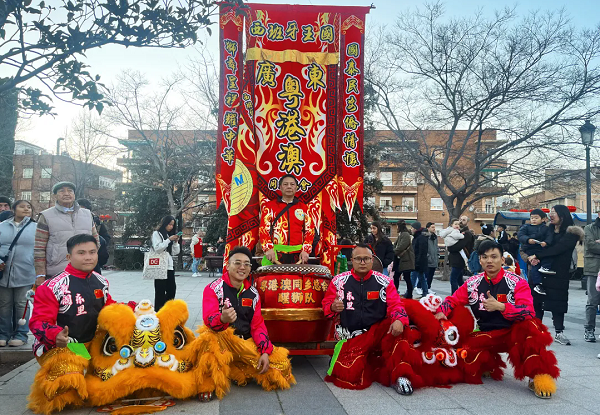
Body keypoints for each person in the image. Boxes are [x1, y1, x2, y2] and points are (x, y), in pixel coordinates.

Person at [435, 240, 560, 399]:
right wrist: (441, 311)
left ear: (502, 259)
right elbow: (452, 300)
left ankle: (537, 375)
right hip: (485, 334)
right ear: (480, 260)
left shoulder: (517, 282)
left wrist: (502, 307)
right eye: (485, 257)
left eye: (494, 256)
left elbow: (528, 311)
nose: (489, 261)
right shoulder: (472, 283)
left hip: (513, 334)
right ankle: (489, 364)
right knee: (461, 358)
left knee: (531, 328)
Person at [27, 234, 134, 415]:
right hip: (67, 346)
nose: (88, 257)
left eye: (92, 252)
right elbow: (38, 322)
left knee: (123, 366)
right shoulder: (52, 286)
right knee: (67, 381)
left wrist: (133, 308)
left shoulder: (101, 281)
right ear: (69, 257)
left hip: (93, 344)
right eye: (81, 253)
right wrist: (56, 335)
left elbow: (109, 306)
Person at [200, 246, 295, 400]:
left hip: (244, 343)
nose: (242, 267)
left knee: (281, 367)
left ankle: (235, 368)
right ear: (228, 265)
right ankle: (207, 382)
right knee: (207, 340)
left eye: (247, 264)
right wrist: (222, 319)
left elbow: (257, 325)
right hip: (221, 341)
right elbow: (209, 319)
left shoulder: (253, 294)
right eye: (237, 263)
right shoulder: (213, 289)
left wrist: (264, 350)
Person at [322, 243, 413, 394]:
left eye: (366, 259)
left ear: (372, 260)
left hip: (377, 332)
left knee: (400, 329)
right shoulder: (339, 281)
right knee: (348, 375)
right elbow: (325, 306)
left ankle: (400, 374)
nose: (362, 262)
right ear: (352, 260)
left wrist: (399, 320)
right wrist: (332, 307)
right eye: (358, 259)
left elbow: (396, 305)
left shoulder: (385, 282)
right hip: (350, 335)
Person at [527, 205, 583, 345]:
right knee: (537, 302)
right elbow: (530, 245)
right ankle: (536, 331)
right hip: (540, 271)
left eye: (554, 212)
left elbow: (559, 249)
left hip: (558, 273)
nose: (551, 215)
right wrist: (530, 256)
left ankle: (559, 332)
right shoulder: (546, 230)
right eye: (550, 212)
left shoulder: (571, 233)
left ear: (562, 215)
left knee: (558, 303)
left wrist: (538, 255)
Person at [34, 182, 98, 286]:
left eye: (70, 191)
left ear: (74, 195)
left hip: (84, 271)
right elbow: (39, 248)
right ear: (55, 195)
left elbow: (96, 242)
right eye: (62, 191)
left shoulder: (87, 214)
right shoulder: (46, 216)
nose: (66, 193)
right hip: (57, 272)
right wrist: (40, 274)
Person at [0, 200, 37, 347]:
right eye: (22, 206)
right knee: (4, 305)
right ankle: (3, 334)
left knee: (23, 305)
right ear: (14, 210)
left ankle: (21, 334)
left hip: (26, 272)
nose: (26, 209)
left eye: (29, 207)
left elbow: (41, 248)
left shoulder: (36, 227)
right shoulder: (2, 227)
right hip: (3, 273)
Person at [259, 174, 314, 264]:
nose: (289, 186)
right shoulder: (269, 207)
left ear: (296, 188)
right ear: (280, 187)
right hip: (275, 253)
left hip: (298, 255)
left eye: (292, 184)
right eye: (285, 184)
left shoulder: (304, 208)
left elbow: (309, 231)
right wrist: (268, 248)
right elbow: (264, 229)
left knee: (296, 278)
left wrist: (306, 250)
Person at [518, 209, 554, 296]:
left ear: (543, 219)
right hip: (530, 249)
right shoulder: (526, 227)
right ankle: (537, 284)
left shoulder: (546, 228)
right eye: (532, 218)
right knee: (534, 266)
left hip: (541, 249)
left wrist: (546, 242)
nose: (533, 219)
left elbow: (549, 237)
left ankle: (546, 268)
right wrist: (528, 240)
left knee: (547, 257)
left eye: (536, 218)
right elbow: (521, 235)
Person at [151, 216, 180, 311]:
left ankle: (167, 310)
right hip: (160, 266)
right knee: (160, 291)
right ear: (164, 223)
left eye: (172, 225)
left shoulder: (169, 235)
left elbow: (176, 252)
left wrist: (175, 242)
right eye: (169, 224)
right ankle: (159, 311)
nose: (171, 227)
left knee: (172, 290)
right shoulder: (157, 234)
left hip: (169, 266)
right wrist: (168, 240)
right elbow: (158, 248)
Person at [77, 199, 111, 274]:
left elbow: (106, 237)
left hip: (93, 262)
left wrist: (98, 246)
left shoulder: (97, 222)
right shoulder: (72, 220)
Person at [583, 214, 600, 342]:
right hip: (594, 268)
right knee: (593, 301)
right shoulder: (589, 228)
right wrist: (595, 243)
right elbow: (590, 246)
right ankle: (589, 329)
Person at [446, 217, 474, 294]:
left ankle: (454, 297)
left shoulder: (466, 234)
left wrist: (449, 248)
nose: (461, 221)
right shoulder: (458, 232)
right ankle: (467, 295)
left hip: (460, 260)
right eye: (460, 219)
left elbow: (458, 246)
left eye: (463, 220)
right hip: (456, 259)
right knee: (459, 279)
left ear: (467, 222)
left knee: (453, 279)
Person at [393, 220, 415, 298]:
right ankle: (396, 293)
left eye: (397, 226)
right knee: (398, 277)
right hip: (401, 260)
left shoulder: (405, 234)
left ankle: (409, 294)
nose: (397, 228)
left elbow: (401, 246)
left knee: (406, 278)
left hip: (406, 260)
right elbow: (396, 245)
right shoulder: (401, 234)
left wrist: (393, 252)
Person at [410, 221, 429, 297]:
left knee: (413, 277)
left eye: (412, 228)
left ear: (415, 229)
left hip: (418, 262)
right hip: (419, 261)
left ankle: (409, 292)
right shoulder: (418, 237)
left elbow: (421, 251)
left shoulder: (420, 237)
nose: (411, 229)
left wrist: (417, 262)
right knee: (421, 277)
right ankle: (425, 291)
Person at [424, 222, 438, 294]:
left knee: (431, 275)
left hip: (434, 259)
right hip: (428, 260)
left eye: (434, 227)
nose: (434, 229)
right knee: (427, 275)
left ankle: (429, 287)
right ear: (428, 228)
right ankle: (424, 288)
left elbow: (436, 247)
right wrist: (428, 256)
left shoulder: (435, 237)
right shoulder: (426, 237)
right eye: (432, 227)